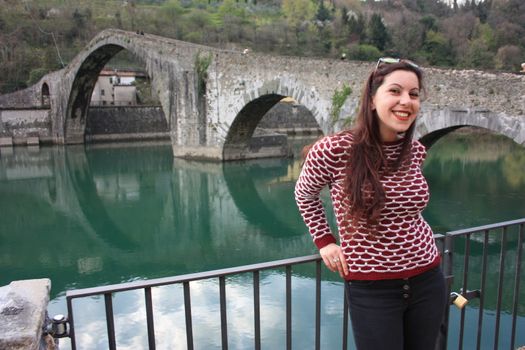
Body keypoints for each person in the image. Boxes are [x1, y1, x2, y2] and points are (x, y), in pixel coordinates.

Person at [294, 58, 446, 350]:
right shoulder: (333, 149)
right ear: (373, 99)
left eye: (414, 95)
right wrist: (325, 242)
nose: (406, 101)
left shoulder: (414, 151)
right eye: (396, 91)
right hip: (372, 288)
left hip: (427, 277)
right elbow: (305, 194)